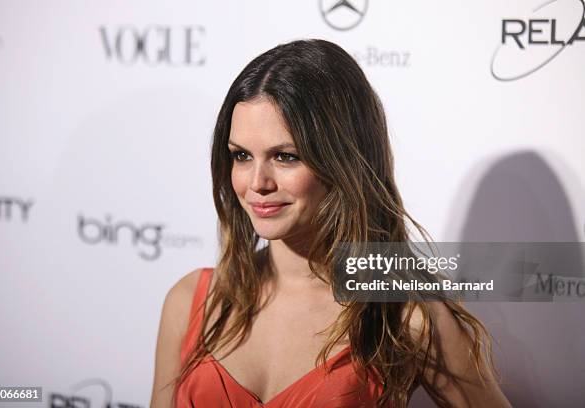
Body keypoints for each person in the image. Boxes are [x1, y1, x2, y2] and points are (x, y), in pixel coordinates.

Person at [150, 39, 512, 407]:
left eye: (285, 156)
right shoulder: (192, 302)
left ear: (342, 161)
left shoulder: (405, 315)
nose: (257, 183)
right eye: (241, 155)